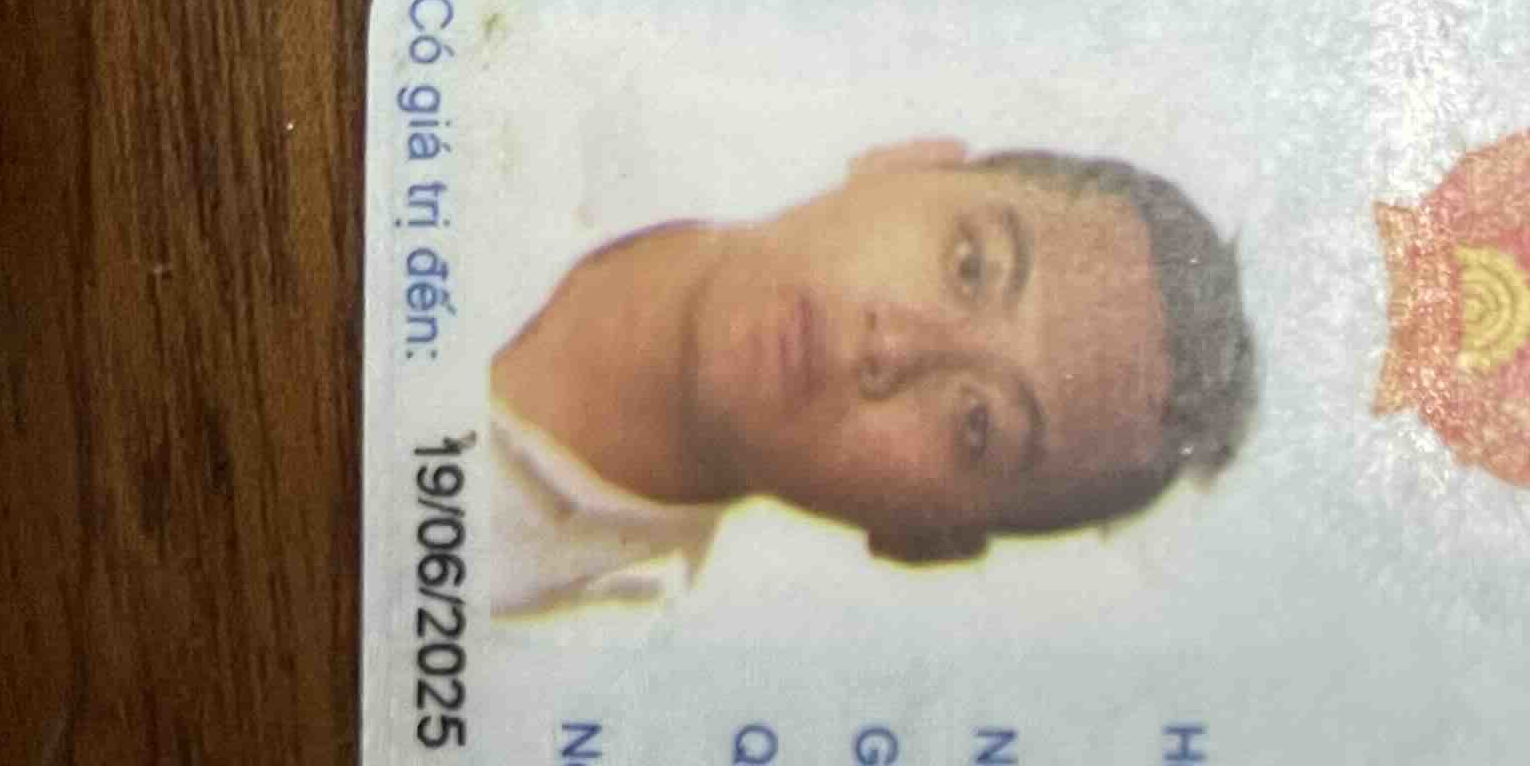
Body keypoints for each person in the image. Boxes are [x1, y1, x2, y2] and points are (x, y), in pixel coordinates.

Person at [485, 139, 1255, 620]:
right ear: (908, 159)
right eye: (970, 266)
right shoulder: (536, 99)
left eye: (975, 424)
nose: (896, 347)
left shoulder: (553, 651)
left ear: (922, 540)